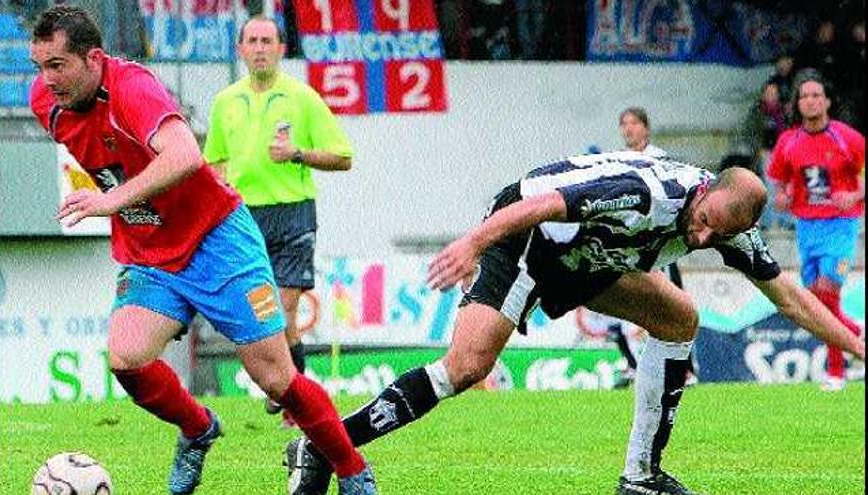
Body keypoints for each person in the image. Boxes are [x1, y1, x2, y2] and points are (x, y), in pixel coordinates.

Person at [285, 151, 865, 495]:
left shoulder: (729, 223)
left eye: (717, 236)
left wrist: (857, 347)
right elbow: (542, 206)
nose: (703, 238)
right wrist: (472, 243)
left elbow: (790, 298)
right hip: (525, 237)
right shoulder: (642, 195)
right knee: (466, 367)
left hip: (586, 257)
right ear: (705, 190)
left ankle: (641, 476)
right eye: (706, 222)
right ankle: (323, 444)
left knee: (678, 316)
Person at [28, 6, 375, 494]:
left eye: (57, 65)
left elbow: (186, 155)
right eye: (39, 66)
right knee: (126, 358)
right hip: (150, 251)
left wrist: (110, 202)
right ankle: (198, 429)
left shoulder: (132, 88)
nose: (47, 80)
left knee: (275, 377)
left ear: (94, 58)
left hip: (217, 241)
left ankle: (353, 471)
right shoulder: (46, 102)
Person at [202, 16, 353, 425]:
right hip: (243, 218)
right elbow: (214, 160)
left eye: (267, 40)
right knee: (258, 313)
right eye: (252, 41)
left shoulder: (302, 98)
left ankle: (292, 400)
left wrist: (297, 154)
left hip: (293, 213)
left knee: (283, 311)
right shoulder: (225, 102)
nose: (260, 48)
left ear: (281, 48)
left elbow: (343, 156)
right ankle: (288, 387)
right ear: (240, 49)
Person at [766, 68, 865, 392]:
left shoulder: (847, 138)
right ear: (797, 103)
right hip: (806, 228)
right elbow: (778, 182)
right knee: (818, 304)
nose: (810, 101)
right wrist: (782, 197)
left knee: (826, 293)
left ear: (827, 101)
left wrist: (854, 195)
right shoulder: (788, 141)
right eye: (804, 96)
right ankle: (854, 330)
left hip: (841, 225)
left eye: (816, 95)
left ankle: (836, 372)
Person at [618, 107, 698, 386]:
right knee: (630, 304)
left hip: (660, 244)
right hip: (634, 245)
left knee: (675, 303)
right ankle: (633, 365)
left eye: (634, 123)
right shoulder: (620, 161)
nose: (629, 129)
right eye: (624, 124)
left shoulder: (659, 158)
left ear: (646, 128)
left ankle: (686, 369)